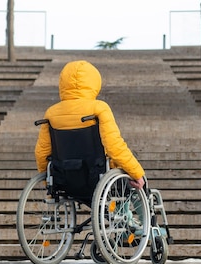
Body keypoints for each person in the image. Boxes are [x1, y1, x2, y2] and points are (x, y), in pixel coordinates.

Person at [34, 60, 145, 189]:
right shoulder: (98, 108)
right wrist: (137, 173)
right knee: (137, 177)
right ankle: (136, 206)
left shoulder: (51, 113)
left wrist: (47, 178)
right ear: (94, 82)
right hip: (98, 176)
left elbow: (41, 152)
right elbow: (114, 146)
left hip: (65, 177)